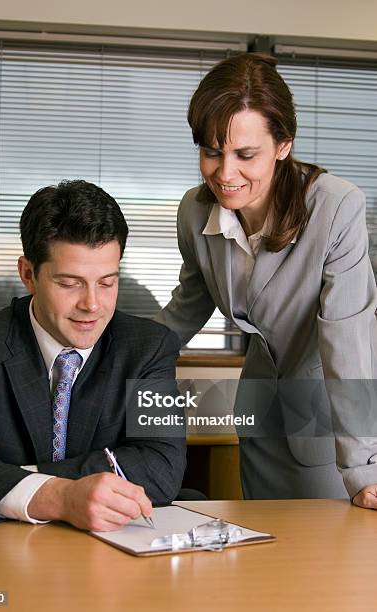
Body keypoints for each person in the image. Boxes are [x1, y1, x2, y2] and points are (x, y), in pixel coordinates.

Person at [155, 53, 377, 509]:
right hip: (257, 413)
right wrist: (104, 358)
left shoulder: (334, 207)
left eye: (245, 154)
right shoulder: (195, 212)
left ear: (283, 146)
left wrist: (361, 467)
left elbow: (347, 337)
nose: (225, 172)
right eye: (212, 152)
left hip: (329, 422)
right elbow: (188, 307)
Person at [0, 180, 186, 530]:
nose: (92, 305)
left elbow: (161, 467)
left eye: (106, 282)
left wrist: (15, 481)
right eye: (70, 283)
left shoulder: (148, 348)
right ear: (28, 274)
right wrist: (58, 497)